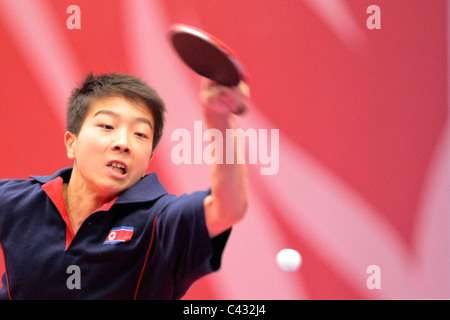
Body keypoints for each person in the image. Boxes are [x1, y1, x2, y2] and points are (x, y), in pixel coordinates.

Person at [0, 73, 249, 299]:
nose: (123, 143)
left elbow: (228, 208)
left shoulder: (161, 222)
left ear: (149, 159)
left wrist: (219, 117)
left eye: (140, 134)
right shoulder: (16, 201)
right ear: (71, 143)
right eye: (107, 126)